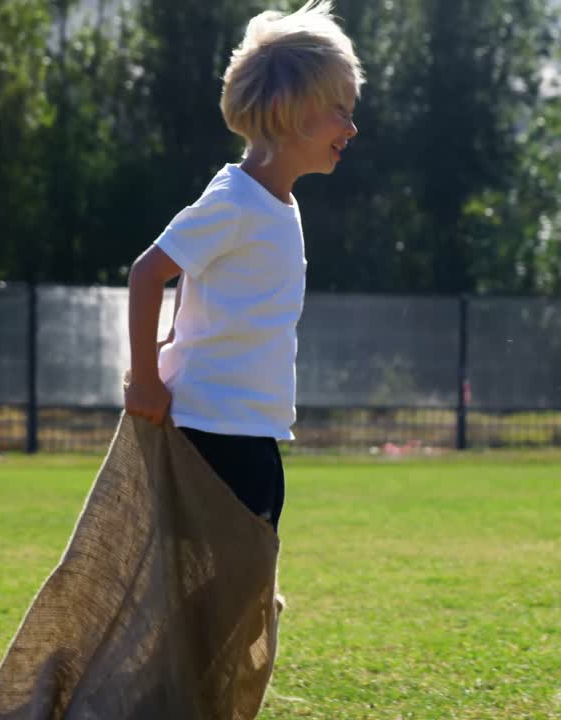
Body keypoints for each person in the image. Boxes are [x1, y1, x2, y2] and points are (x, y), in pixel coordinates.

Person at [124, 0, 363, 533]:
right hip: (210, 434)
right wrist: (146, 378)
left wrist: (177, 334)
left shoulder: (279, 204)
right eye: (341, 110)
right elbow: (148, 272)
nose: (352, 127)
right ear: (295, 109)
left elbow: (192, 271)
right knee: (219, 592)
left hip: (252, 431)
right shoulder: (236, 200)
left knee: (243, 582)